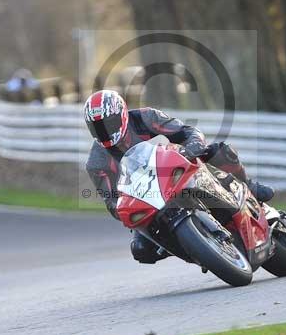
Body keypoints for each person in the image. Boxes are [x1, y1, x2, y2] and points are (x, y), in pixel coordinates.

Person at [84, 89, 275, 264]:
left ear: (122, 114)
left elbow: (187, 131)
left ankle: (249, 187)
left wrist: (192, 148)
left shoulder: (145, 118)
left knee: (220, 151)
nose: (105, 131)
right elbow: (111, 202)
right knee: (141, 250)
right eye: (97, 128)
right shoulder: (96, 162)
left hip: (174, 169)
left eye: (108, 124)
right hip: (147, 199)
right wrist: (126, 206)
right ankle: (192, 245)